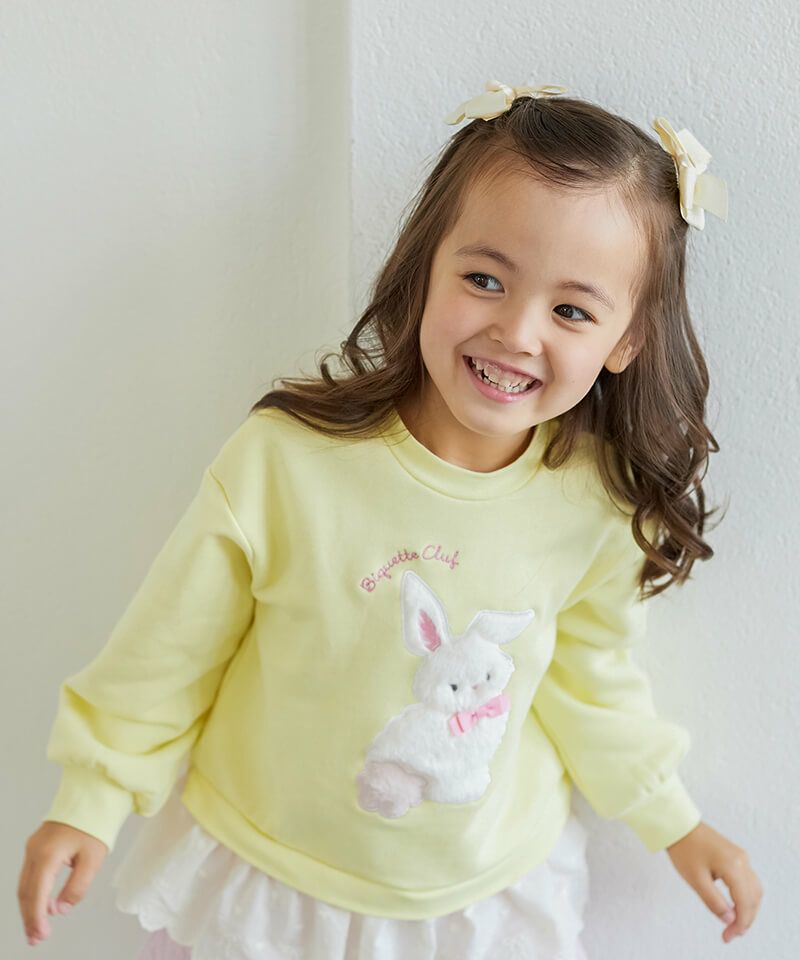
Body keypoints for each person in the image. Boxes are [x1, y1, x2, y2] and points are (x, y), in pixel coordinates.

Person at [17, 80, 763, 958]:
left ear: (626, 340)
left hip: (477, 900)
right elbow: (169, 649)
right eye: (484, 279)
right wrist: (93, 797)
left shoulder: (592, 501)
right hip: (265, 878)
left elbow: (591, 686)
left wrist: (673, 821)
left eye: (571, 310)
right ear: (425, 268)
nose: (517, 331)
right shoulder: (286, 461)